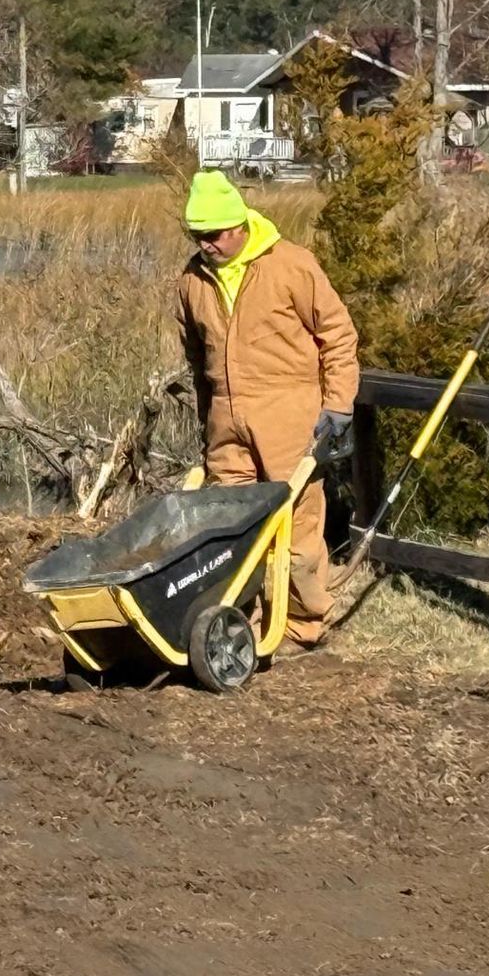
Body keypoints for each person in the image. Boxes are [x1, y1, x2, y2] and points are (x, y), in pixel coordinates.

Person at [176, 170, 359, 648]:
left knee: (295, 524)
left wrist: (338, 405)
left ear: (239, 224)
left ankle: (301, 626)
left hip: (288, 414)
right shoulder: (191, 281)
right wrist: (206, 416)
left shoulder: (291, 265)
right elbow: (198, 359)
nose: (207, 245)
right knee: (226, 526)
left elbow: (337, 336)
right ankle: (241, 621)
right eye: (197, 236)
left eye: (213, 235)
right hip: (225, 419)